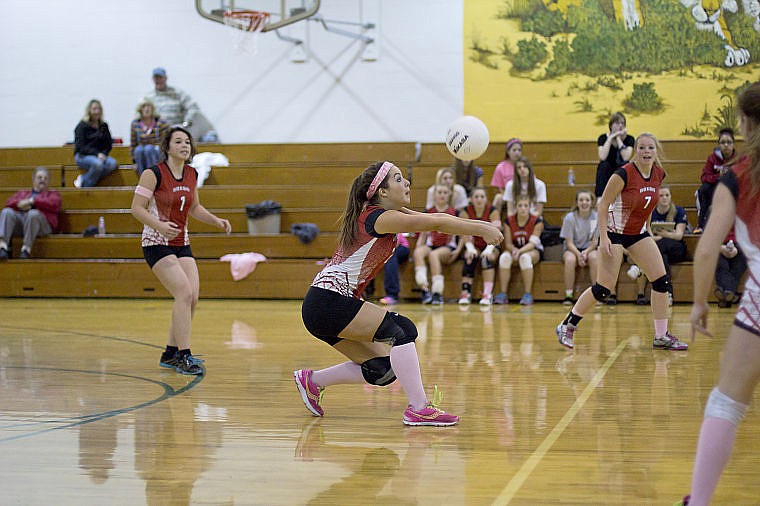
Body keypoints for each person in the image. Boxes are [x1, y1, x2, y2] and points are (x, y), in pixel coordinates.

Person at [294, 160, 503, 426]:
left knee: (384, 369)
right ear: (382, 192)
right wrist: (481, 228)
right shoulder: (378, 217)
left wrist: (477, 225)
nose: (407, 183)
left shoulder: (384, 213)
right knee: (401, 331)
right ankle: (419, 408)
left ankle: (312, 381)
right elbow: (435, 222)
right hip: (328, 301)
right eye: (398, 179)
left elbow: (439, 219)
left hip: (322, 307)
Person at [681, 81, 760, 506]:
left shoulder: (738, 176)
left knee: (726, 403)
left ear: (745, 125)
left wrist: (698, 304)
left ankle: (700, 501)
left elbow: (708, 247)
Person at [555, 132, 688, 351]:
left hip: (636, 233)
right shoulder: (623, 173)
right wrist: (604, 237)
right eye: (642, 148)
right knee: (604, 288)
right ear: (635, 150)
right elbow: (603, 204)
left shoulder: (658, 174)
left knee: (661, 281)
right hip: (614, 232)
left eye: (650, 148)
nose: (646, 152)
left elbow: (648, 203)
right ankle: (567, 325)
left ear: (656, 151)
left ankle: (661, 336)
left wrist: (646, 229)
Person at [130, 125, 232, 375]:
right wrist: (159, 226)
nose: (184, 145)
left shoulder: (191, 174)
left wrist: (216, 221)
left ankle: (170, 353)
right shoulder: (153, 174)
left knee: (192, 297)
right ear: (167, 147)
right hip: (156, 243)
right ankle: (184, 356)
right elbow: (137, 208)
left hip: (180, 243)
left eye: (187, 142)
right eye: (178, 142)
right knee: (184, 293)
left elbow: (195, 207)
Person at [633, 185, 688, 305]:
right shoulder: (651, 212)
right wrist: (666, 235)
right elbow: (646, 232)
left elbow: (678, 235)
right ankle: (667, 293)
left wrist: (662, 234)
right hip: (661, 251)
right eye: (661, 195)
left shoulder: (678, 211)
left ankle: (640, 266)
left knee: (658, 247)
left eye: (667, 195)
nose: (664, 198)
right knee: (662, 257)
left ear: (670, 197)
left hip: (677, 249)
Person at [413, 184, 462, 305]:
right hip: (431, 244)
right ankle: (424, 289)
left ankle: (437, 293)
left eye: (445, 192)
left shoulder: (454, 212)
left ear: (449, 195)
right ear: (434, 195)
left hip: (447, 247)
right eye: (439, 192)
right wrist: (418, 248)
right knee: (418, 252)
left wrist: (458, 251)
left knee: (434, 255)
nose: (442, 195)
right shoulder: (429, 212)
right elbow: (423, 234)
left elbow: (464, 235)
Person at [0, 167, 61, 260]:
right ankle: (3, 247)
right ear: (33, 180)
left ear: (48, 182)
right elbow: (8, 203)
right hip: (22, 223)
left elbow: (54, 204)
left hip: (42, 226)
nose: (43, 180)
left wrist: (32, 201)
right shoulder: (23, 193)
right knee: (6, 212)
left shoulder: (53, 194)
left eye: (45, 178)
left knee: (33, 214)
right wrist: (20, 204)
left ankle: (26, 249)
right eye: (40, 177)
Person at [144, 67, 219, 143]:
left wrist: (185, 123)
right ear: (153, 79)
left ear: (165, 78)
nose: (158, 80)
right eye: (156, 78)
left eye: (160, 77)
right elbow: (140, 114)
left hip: (176, 132)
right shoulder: (148, 97)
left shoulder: (177, 93)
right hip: (157, 134)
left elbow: (193, 107)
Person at [495, 195, 544, 305]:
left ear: (530, 207)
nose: (523, 208)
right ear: (516, 207)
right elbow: (507, 244)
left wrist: (519, 251)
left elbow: (532, 243)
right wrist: (514, 250)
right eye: (520, 205)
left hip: (533, 250)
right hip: (514, 249)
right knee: (504, 257)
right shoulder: (509, 221)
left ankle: (527, 294)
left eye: (526, 206)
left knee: (525, 258)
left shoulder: (537, 221)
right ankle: (503, 294)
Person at [457, 187, 501, 306]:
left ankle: (487, 294)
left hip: (491, 244)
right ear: (471, 199)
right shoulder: (465, 211)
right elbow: (464, 232)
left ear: (486, 199)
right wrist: (470, 247)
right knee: (469, 257)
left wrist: (489, 249)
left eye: (482, 197)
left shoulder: (492, 211)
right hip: (474, 244)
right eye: (476, 197)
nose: (479, 199)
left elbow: (496, 231)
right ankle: (465, 292)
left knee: (487, 259)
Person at [560, 189, 599, 305]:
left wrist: (586, 252)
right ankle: (568, 295)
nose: (584, 203)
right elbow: (569, 242)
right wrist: (579, 254)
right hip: (572, 248)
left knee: (594, 258)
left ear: (591, 202)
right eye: (581, 200)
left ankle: (596, 294)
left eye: (587, 200)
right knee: (570, 260)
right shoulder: (570, 218)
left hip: (589, 248)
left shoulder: (595, 218)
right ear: (576, 202)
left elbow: (595, 241)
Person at [694, 128, 736, 234]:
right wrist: (719, 176)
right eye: (723, 142)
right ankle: (701, 225)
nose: (726, 145)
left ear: (733, 144)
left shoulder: (738, 159)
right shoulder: (712, 158)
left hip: (733, 189)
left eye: (729, 142)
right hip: (716, 188)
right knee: (703, 189)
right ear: (719, 144)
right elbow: (704, 177)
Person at [73, 99, 119, 188]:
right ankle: (86, 189)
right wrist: (97, 154)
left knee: (113, 164)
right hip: (83, 156)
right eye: (94, 109)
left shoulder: (104, 126)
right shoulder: (81, 126)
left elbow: (108, 144)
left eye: (99, 109)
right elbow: (81, 147)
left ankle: (83, 179)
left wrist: (104, 154)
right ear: (89, 111)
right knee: (98, 164)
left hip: (100, 156)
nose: (97, 111)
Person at [595, 112, 635, 198]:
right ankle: (600, 197)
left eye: (622, 123)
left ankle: (624, 195)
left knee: (625, 165)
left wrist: (618, 139)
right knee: (603, 165)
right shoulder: (602, 138)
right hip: (607, 169)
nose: (620, 126)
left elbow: (626, 157)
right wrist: (610, 138)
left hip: (620, 169)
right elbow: (602, 157)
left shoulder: (629, 139)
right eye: (617, 123)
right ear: (611, 125)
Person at [130, 99, 170, 175]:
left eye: (149, 106)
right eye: (144, 107)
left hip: (158, 150)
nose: (146, 109)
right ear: (140, 110)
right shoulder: (135, 124)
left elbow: (167, 140)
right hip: (142, 152)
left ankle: (153, 175)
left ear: (153, 109)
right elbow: (133, 143)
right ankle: (143, 177)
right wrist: (134, 162)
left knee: (149, 149)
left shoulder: (161, 122)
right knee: (138, 150)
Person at [714, 229, 746, 308]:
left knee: (741, 261)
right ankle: (731, 294)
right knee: (720, 263)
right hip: (717, 244)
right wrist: (720, 248)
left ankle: (724, 294)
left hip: (741, 244)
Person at [490, 138, 523, 211]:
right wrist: (509, 197)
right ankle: (495, 220)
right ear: (508, 151)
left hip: (523, 195)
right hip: (506, 195)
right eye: (514, 150)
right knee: (498, 198)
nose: (517, 153)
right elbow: (500, 188)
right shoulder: (501, 167)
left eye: (519, 150)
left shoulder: (525, 166)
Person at [379, 233, 410, 305]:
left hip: (401, 247)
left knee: (390, 256)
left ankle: (392, 295)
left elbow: (395, 243)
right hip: (384, 249)